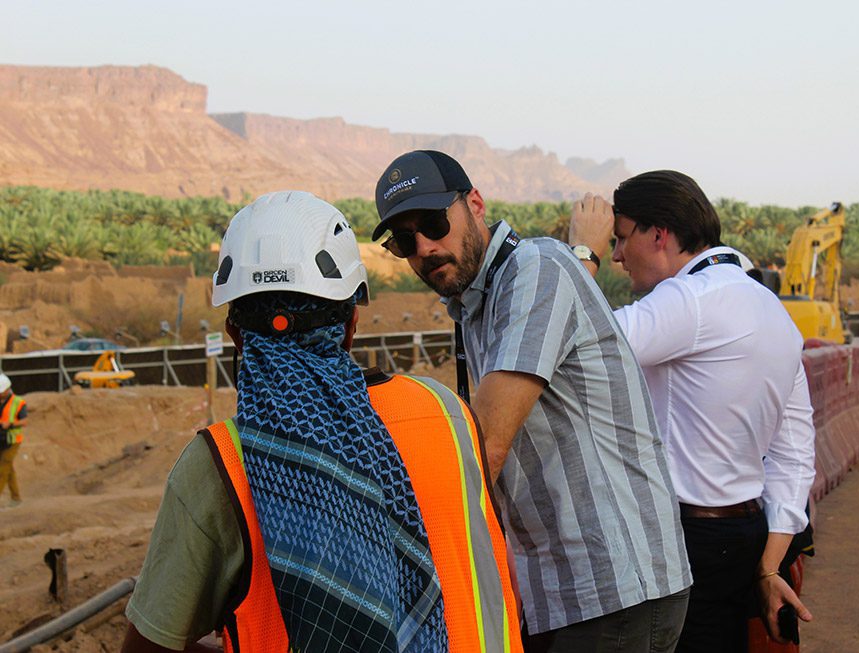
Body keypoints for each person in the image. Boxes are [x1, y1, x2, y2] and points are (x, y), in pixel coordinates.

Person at [122, 191, 520, 653]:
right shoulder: (446, 413)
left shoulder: (221, 464)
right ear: (351, 323)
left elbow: (149, 646)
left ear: (235, 335)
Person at [373, 151, 692, 653]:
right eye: (404, 241)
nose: (425, 248)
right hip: (561, 591)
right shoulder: (477, 303)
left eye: (434, 224)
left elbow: (486, 447)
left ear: (475, 203)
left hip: (613, 589)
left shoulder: (536, 269)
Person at [567, 171, 817, 652]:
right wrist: (767, 567)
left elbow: (571, 342)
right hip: (743, 538)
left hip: (684, 539)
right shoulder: (774, 311)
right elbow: (795, 455)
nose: (618, 255)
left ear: (658, 234)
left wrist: (583, 255)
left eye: (620, 238)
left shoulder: (689, 300)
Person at [0, 373, 27, 507]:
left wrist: (10, 424)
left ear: (6, 390)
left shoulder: (18, 402)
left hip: (13, 439)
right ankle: (16, 499)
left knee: (3, 468)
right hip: (1, 440)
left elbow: (24, 421)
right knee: (9, 469)